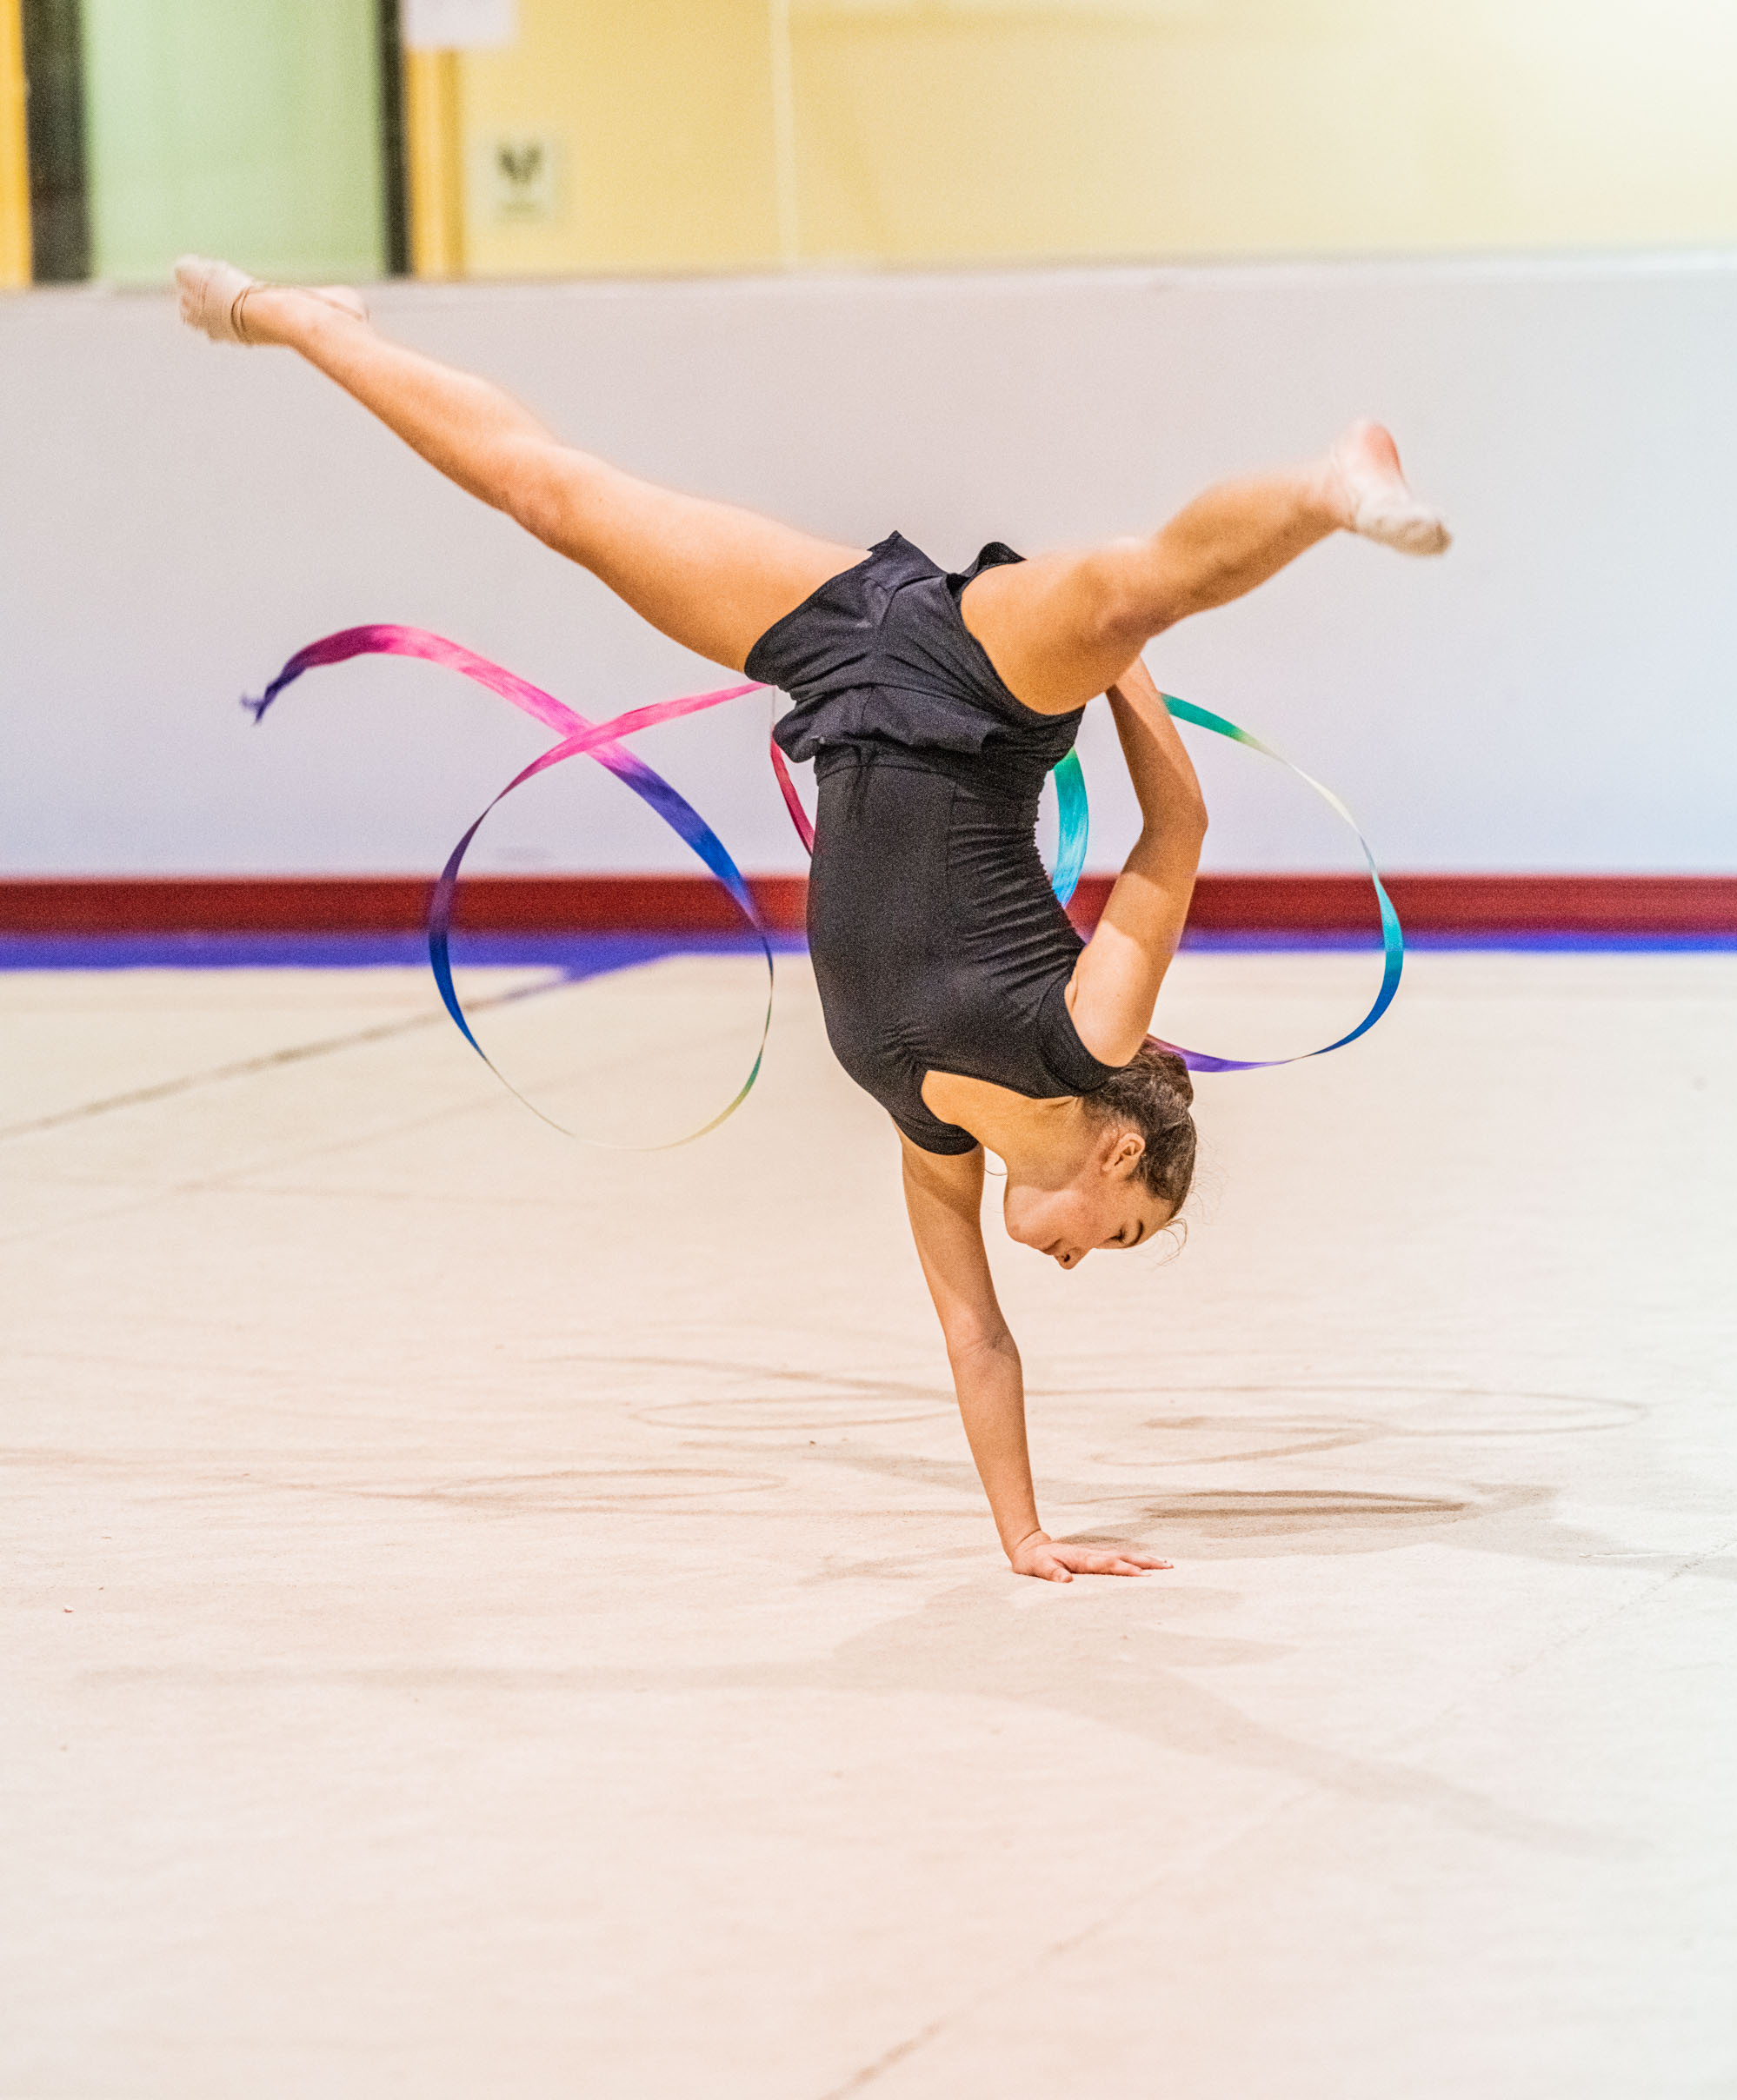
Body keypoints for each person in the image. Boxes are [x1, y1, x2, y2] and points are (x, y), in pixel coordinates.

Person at [176, 256, 1449, 1583]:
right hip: (982, 682)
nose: (1083, 1262)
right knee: (1138, 588)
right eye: (1115, 1238)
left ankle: (298, 319)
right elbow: (1174, 834)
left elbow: (976, 1338)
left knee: (546, 495)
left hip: (838, 666)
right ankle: (1331, 482)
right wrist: (1122, 667)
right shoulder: (1091, 1038)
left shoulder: (932, 1132)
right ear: (1120, 1158)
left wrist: (1024, 1536)